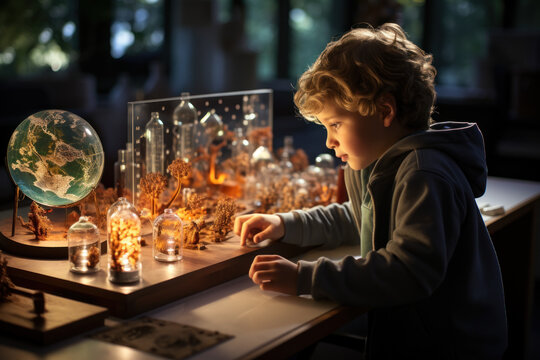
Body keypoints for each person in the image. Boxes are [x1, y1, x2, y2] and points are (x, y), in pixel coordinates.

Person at [234, 23, 507, 359]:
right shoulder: (378, 163)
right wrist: (287, 223)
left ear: (384, 111)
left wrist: (305, 278)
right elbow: (357, 217)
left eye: (335, 124)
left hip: (448, 346)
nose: (329, 141)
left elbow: (408, 271)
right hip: (415, 334)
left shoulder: (424, 172)